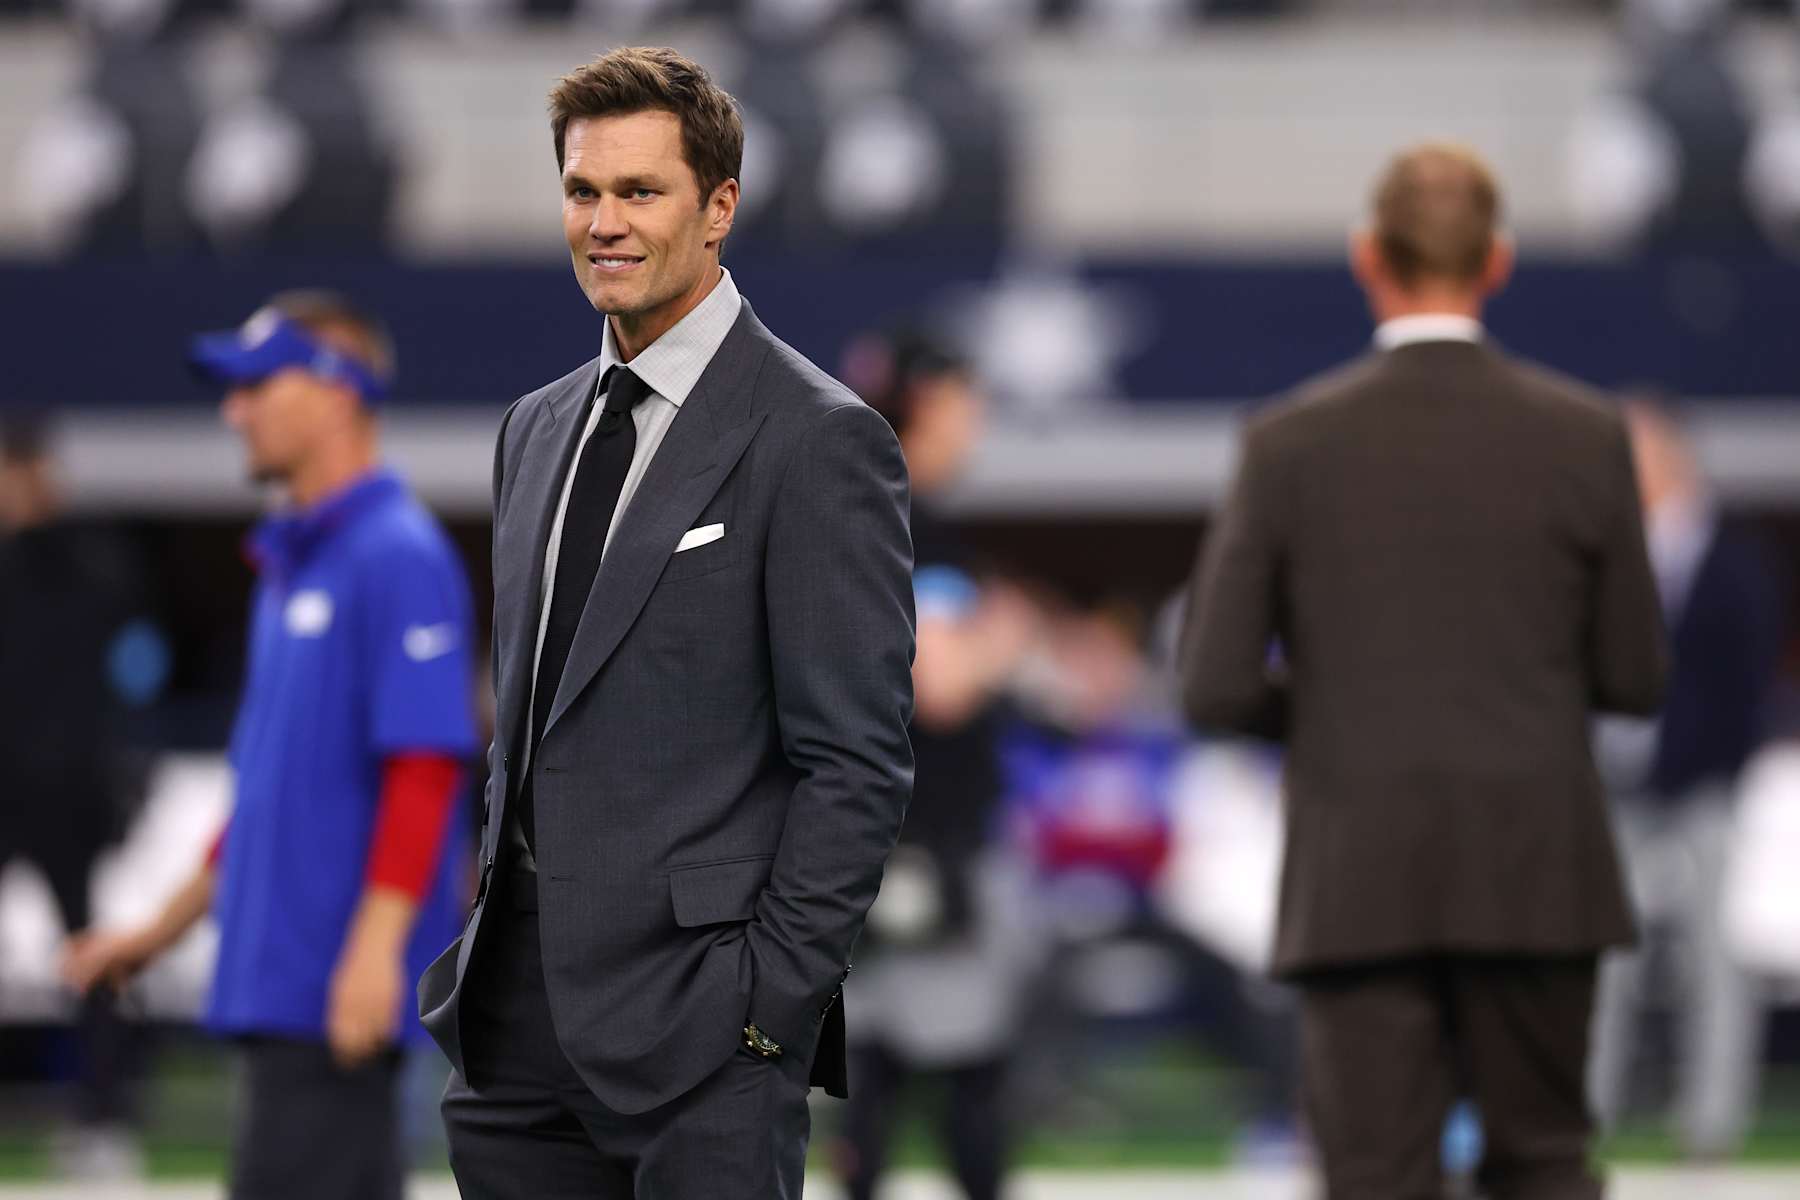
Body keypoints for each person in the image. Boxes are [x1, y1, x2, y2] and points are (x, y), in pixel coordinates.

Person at [416, 46, 915, 1200]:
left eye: (640, 191)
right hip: (514, 1030)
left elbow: (857, 764)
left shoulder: (817, 438)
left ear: (719, 206)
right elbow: (529, 725)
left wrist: (765, 1016)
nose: (604, 222)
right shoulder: (533, 431)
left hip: (706, 1039)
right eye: (583, 191)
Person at [1178, 143, 1668, 1200]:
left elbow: (1213, 684)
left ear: (1368, 258)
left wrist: (1341, 716)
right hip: (1537, 864)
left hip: (1361, 870)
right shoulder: (1587, 438)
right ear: (1497, 262)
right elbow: (1635, 675)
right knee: (1543, 1165)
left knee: (1373, 1176)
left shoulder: (1287, 444)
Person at [63, 290, 478, 1200]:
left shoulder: (395, 556)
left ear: (335, 391)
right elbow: (256, 804)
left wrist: (375, 957)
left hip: (333, 997)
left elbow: (423, 772)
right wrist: (152, 934)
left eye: (255, 384)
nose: (233, 410)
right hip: (284, 993)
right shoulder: (292, 567)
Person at [834, 329, 1037, 1200]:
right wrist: (1008, 640)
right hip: (926, 842)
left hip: (860, 837)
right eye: (964, 396)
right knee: (960, 1078)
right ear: (928, 402)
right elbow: (942, 681)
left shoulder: (847, 512)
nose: (977, 416)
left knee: (873, 1080)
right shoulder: (918, 525)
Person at [1588, 397, 1785, 1159]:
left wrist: (1700, 768)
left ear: (1670, 456)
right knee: (1605, 959)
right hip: (1615, 786)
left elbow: (1743, 682)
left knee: (1714, 959)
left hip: (1705, 790)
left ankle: (1710, 1123)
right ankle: (1592, 1111)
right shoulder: (1605, 552)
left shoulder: (1732, 555)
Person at [0, 414, 153, 1178]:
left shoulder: (83, 558)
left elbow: (134, 655)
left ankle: (105, 1120)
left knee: (87, 954)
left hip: (66, 793)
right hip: (8, 787)